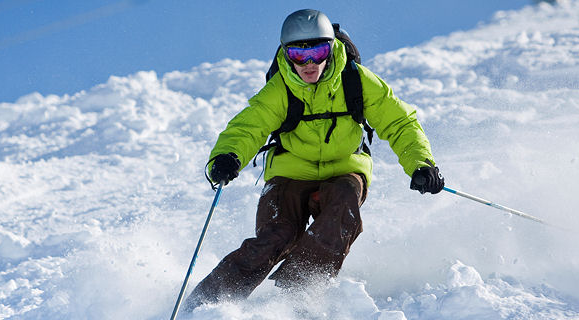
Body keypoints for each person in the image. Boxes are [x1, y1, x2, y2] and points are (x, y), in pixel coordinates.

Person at [184, 8, 444, 310]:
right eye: (297, 54)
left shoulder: (355, 81)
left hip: (344, 168)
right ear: (286, 54)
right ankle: (205, 304)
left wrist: (421, 164)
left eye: (318, 51)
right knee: (277, 234)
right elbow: (248, 127)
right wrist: (228, 157)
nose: (308, 63)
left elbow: (399, 122)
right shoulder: (280, 89)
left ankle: (300, 288)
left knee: (342, 205)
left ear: (331, 47)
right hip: (289, 171)